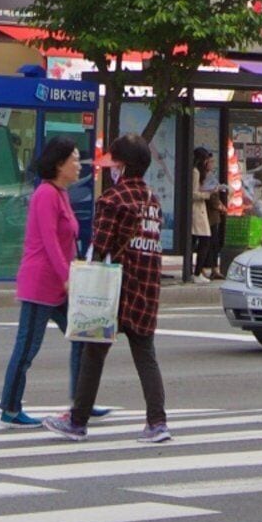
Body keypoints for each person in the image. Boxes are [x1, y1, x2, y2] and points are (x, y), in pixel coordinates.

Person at [58, 134, 170, 443]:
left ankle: (78, 422)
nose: (111, 170)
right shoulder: (152, 200)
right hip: (145, 287)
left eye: (114, 164)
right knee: (146, 355)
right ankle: (157, 422)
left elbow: (100, 247)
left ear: (122, 166)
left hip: (113, 289)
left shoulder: (112, 200)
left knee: (93, 354)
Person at [0, 137, 83, 425]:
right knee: (27, 348)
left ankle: (82, 400)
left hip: (58, 284)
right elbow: (49, 241)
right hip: (41, 284)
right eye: (74, 159)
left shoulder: (61, 193)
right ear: (59, 164)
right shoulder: (46, 194)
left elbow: (67, 240)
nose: (78, 165)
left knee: (83, 336)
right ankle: (10, 408)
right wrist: (66, 277)